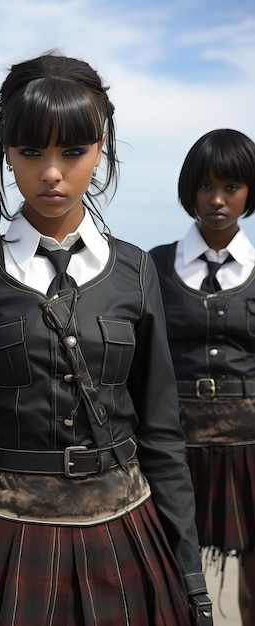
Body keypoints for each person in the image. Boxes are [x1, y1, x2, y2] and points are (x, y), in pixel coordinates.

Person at [0, 53, 212, 626]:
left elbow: (162, 436)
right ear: (6, 150)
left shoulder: (137, 272)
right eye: (31, 152)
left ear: (100, 147)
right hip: (12, 538)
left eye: (72, 152)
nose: (51, 172)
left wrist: (191, 575)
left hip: (133, 535)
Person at [150, 128, 255, 626]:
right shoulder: (151, 268)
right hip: (174, 451)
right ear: (189, 190)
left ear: (250, 191)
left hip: (252, 450)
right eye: (206, 186)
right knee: (176, 587)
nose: (217, 200)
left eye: (231, 187)